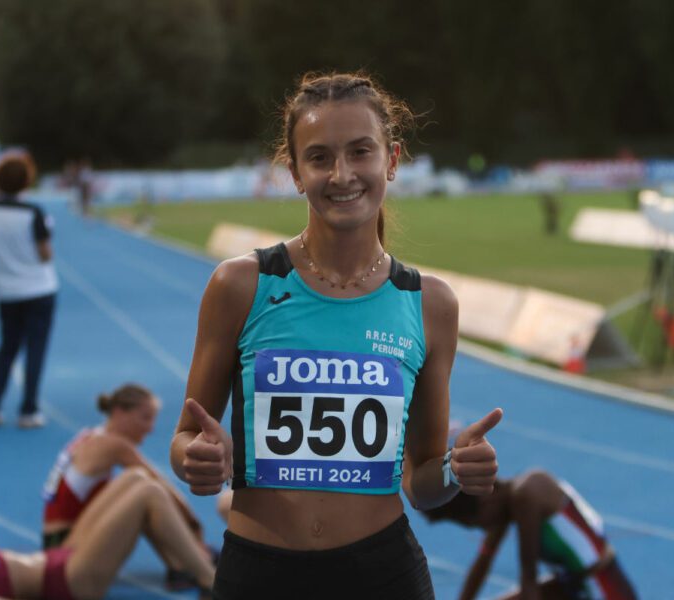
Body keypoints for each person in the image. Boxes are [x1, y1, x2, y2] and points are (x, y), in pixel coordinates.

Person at [170, 71, 503, 600]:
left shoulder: (430, 303)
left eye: (360, 152)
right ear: (296, 172)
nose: (342, 174)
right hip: (259, 574)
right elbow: (184, 438)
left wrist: (457, 471)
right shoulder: (240, 284)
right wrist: (195, 460)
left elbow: (422, 485)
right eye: (320, 157)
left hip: (383, 575)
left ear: (391, 160)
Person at [42, 383, 211, 590]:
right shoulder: (114, 444)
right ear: (119, 412)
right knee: (145, 488)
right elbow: (160, 483)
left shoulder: (90, 435)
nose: (151, 428)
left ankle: (180, 563)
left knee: (137, 486)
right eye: (145, 418)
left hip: (56, 541)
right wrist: (194, 524)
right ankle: (194, 568)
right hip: (66, 547)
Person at [0, 467, 215, 600]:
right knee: (148, 493)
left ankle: (181, 565)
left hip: (55, 559)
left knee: (134, 477)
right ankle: (211, 580)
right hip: (67, 582)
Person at [421, 469, 638, 600]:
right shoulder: (504, 506)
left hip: (604, 589)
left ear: (487, 499)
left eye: (476, 523)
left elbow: (529, 577)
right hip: (571, 586)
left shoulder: (526, 495)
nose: (484, 529)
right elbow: (483, 562)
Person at [0, 149, 58, 428]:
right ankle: (29, 409)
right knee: (35, 349)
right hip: (38, 288)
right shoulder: (34, 212)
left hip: (6, 289)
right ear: (27, 182)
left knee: (7, 347)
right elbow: (45, 254)